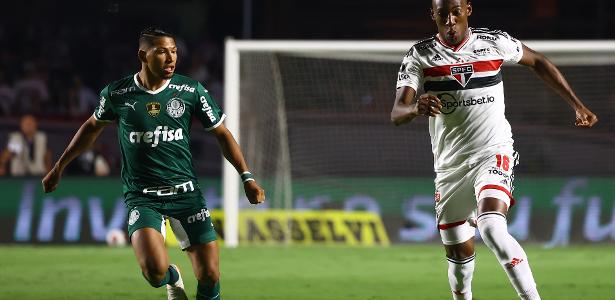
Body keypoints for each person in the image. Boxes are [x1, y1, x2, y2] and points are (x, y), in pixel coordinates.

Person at [391, 1, 597, 299]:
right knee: (461, 263)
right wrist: (414, 107)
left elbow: (538, 61)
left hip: (493, 151)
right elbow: (397, 113)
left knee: (491, 226)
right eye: (442, 13)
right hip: (450, 168)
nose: (450, 19)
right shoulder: (420, 54)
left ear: (468, 10)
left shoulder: (493, 42)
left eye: (455, 11)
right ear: (432, 15)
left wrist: (577, 105)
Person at [42, 27, 266, 300]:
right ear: (143, 55)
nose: (171, 58)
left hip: (186, 195)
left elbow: (222, 133)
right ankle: (173, 277)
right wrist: (58, 168)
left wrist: (247, 177)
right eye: (162, 51)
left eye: (174, 51)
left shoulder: (190, 90)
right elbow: (90, 128)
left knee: (209, 275)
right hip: (143, 198)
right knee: (154, 272)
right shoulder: (117, 93)